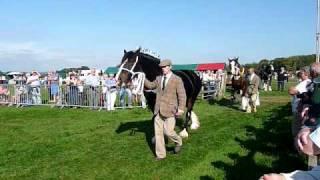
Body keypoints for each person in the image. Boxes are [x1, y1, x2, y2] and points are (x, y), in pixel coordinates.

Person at [144, 59, 186, 161]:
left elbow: (182, 95)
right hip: (158, 110)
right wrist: (143, 78)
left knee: (168, 132)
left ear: (170, 67)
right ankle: (160, 155)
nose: (163, 69)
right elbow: (150, 85)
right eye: (162, 67)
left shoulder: (177, 79)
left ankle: (178, 141)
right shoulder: (158, 78)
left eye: (165, 67)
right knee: (158, 134)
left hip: (171, 110)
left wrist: (181, 108)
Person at [288, 69, 311, 137]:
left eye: (302, 73)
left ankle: (296, 141)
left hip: (299, 108)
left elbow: (293, 92)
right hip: (298, 107)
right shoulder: (305, 82)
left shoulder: (306, 83)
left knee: (297, 126)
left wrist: (293, 91)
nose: (300, 74)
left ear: (306, 74)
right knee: (299, 125)